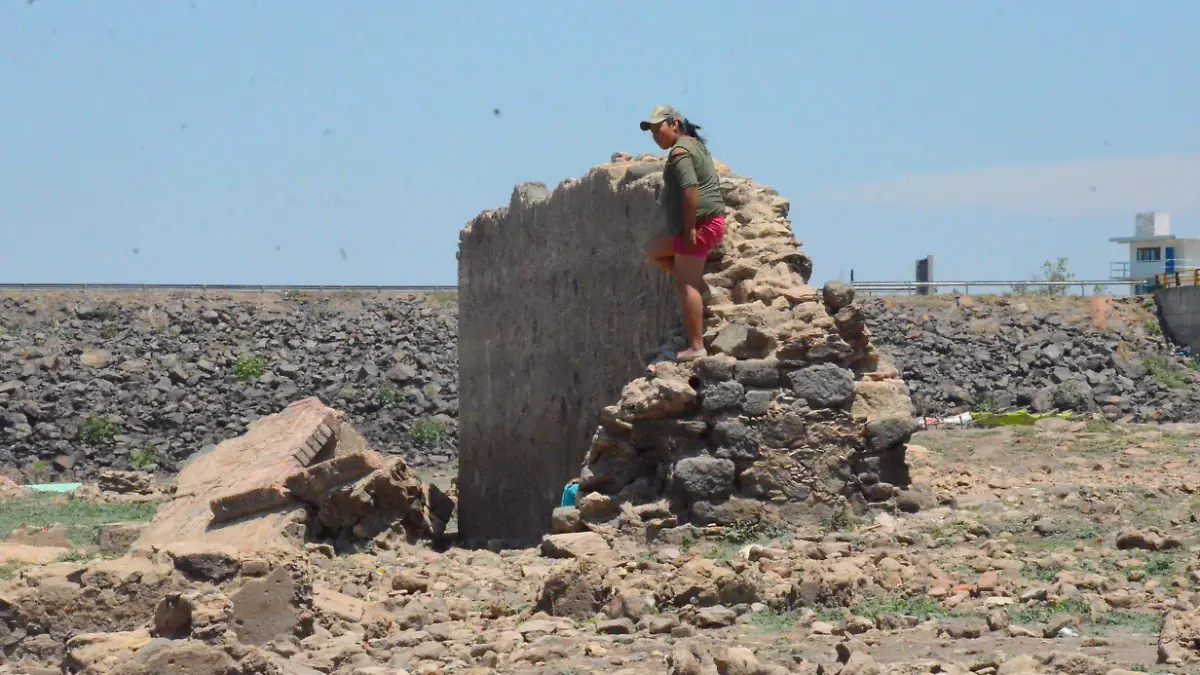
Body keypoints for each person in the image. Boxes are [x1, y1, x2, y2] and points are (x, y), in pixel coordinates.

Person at [640, 105, 726, 361]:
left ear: (674, 124)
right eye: (652, 131)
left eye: (659, 129)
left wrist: (689, 230)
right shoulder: (693, 145)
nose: (656, 136)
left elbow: (690, 190)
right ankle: (698, 288)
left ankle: (696, 345)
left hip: (700, 224)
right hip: (705, 222)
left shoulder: (680, 152)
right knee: (655, 251)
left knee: (685, 284)